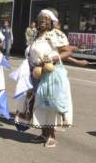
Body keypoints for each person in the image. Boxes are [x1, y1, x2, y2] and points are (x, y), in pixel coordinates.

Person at [14, 9, 73, 148]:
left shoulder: (56, 34)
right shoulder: (35, 34)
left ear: (52, 21)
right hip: (35, 73)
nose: (42, 20)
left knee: (50, 104)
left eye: (46, 18)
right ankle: (43, 133)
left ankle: (51, 135)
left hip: (51, 75)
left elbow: (67, 51)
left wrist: (52, 59)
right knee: (38, 104)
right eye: (40, 18)